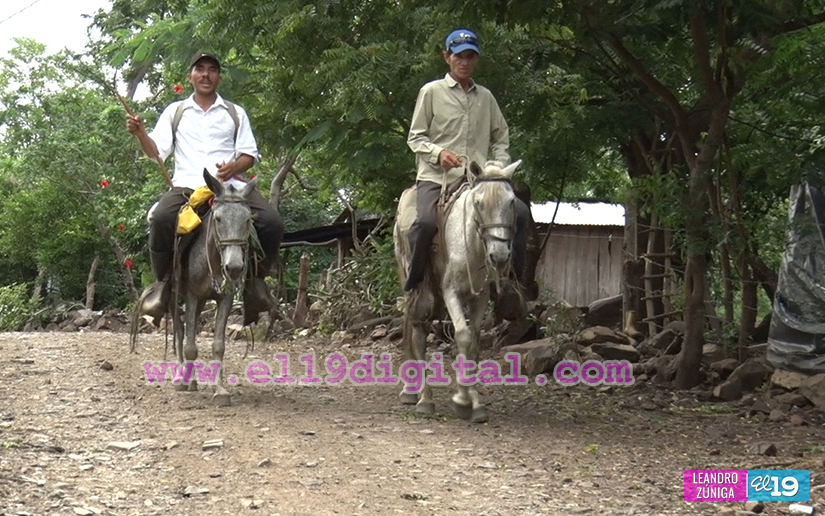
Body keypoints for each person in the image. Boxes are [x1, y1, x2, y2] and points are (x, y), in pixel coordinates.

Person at [126, 51, 283, 325]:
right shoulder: (176, 112)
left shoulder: (235, 113)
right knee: (162, 219)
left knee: (272, 223)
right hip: (188, 186)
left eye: (212, 70)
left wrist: (234, 167)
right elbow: (156, 152)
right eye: (200, 69)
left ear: (219, 78)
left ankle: (256, 285)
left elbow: (249, 154)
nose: (206, 74)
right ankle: (162, 287)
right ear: (190, 77)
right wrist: (141, 134)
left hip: (232, 189)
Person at [404, 28, 530, 293]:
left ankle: (513, 281)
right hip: (436, 178)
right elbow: (415, 138)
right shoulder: (431, 92)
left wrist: (497, 168)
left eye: (470, 56)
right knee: (425, 222)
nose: (465, 62)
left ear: (477, 60)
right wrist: (438, 154)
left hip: (479, 181)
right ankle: (417, 282)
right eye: (459, 56)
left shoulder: (486, 97)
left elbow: (501, 135)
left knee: (519, 211)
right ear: (447, 57)